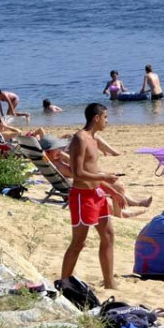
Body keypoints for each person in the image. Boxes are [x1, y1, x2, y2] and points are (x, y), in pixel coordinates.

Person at [60, 103, 119, 289]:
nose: (107, 121)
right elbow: (77, 173)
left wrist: (113, 191)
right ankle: (64, 282)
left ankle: (109, 282)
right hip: (82, 196)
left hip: (97, 193)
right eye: (105, 117)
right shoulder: (80, 139)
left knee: (108, 235)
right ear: (96, 118)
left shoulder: (94, 139)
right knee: (79, 242)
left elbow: (92, 169)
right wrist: (103, 176)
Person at [43, 137, 150, 219]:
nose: (60, 150)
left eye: (59, 148)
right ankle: (120, 215)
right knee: (117, 185)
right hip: (82, 189)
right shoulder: (59, 165)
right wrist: (67, 157)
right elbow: (81, 171)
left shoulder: (52, 164)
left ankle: (134, 205)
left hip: (76, 187)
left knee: (112, 180)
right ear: (48, 152)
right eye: (56, 149)